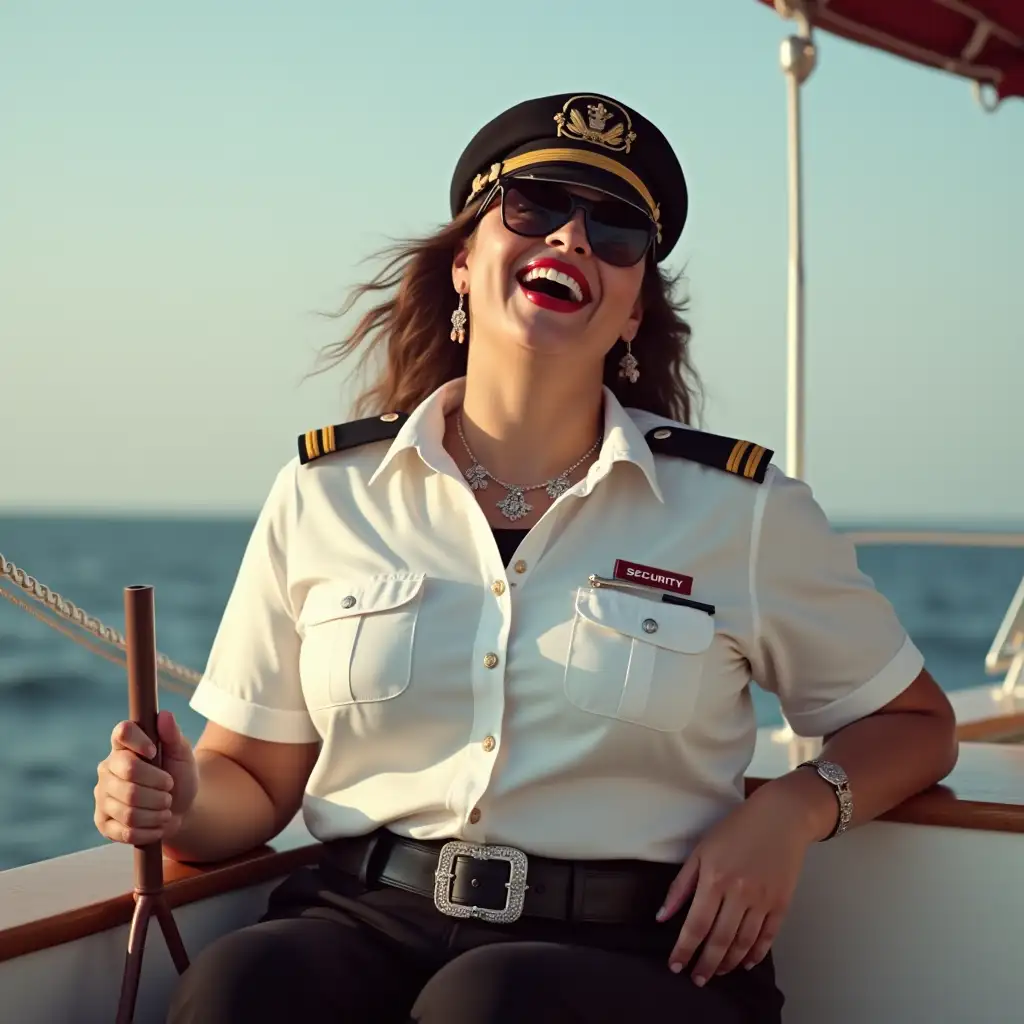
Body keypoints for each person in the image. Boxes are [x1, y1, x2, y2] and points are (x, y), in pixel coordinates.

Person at [93, 91, 958, 1024]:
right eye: (537, 205)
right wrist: (176, 800)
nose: (574, 238)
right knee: (240, 988)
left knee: (490, 1003)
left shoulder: (741, 512)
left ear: (632, 314)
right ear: (464, 263)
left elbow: (915, 725)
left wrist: (790, 811)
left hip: (639, 948)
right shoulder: (326, 493)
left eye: (617, 230)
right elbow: (256, 783)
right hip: (368, 917)